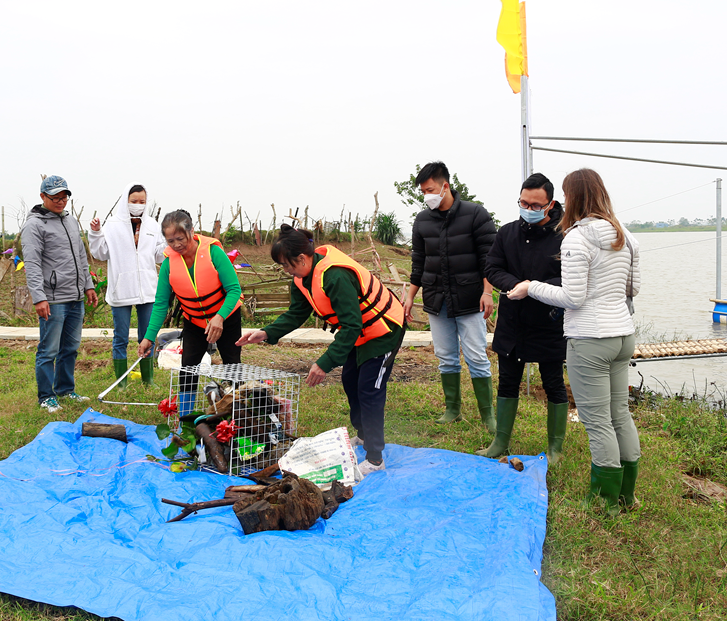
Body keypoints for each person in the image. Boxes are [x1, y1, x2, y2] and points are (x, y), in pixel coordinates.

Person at [508, 169, 641, 515]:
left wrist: (529, 286)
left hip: (590, 339)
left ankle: (604, 501)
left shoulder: (576, 238)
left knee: (597, 421)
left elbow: (574, 296)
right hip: (623, 335)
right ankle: (626, 494)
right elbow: (633, 289)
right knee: (619, 415)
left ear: (572, 198)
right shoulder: (623, 235)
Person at [236, 225, 405, 475]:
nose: (285, 270)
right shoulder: (301, 277)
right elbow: (296, 313)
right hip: (358, 334)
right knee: (350, 380)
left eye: (286, 264)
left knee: (369, 390)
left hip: (383, 330)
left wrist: (324, 363)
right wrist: (266, 332)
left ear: (302, 258)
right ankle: (363, 435)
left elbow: (351, 324)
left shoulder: (335, 275)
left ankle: (375, 459)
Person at [480, 173, 567, 462]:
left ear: (550, 204)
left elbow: (571, 278)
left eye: (535, 205)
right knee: (507, 381)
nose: (528, 209)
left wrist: (535, 289)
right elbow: (492, 267)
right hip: (512, 321)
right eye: (523, 203)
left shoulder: (565, 236)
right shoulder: (506, 233)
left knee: (553, 382)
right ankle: (500, 441)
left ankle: (555, 448)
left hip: (550, 321)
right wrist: (514, 284)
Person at [406, 161, 498, 432]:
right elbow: (418, 261)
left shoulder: (475, 214)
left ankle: (488, 415)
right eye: (423, 192)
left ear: (445, 186)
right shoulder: (422, 220)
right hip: (437, 298)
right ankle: (452, 409)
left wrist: (488, 292)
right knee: (446, 356)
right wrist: (411, 296)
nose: (427, 196)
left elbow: (489, 259)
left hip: (470, 297)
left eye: (430, 189)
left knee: (476, 357)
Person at [137, 210, 242, 415]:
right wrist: (149, 337)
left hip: (226, 317)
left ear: (191, 232)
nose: (176, 244)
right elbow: (160, 304)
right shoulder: (169, 263)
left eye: (180, 238)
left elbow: (234, 290)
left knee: (232, 365)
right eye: (170, 240)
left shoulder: (214, 253)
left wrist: (219, 318)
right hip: (194, 322)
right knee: (188, 368)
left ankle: (238, 414)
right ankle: (185, 418)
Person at [21, 175, 97, 414]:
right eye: (55, 197)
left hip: (75, 296)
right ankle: (46, 396)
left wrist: (88, 285)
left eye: (64, 197)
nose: (60, 201)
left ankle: (65, 389)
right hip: (53, 298)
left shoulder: (70, 221)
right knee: (48, 349)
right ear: (43, 196)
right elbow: (32, 264)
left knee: (71, 347)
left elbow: (81, 257)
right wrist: (39, 297)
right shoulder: (34, 226)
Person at [88, 183, 164, 387]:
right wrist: (96, 232)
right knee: (120, 336)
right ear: (125, 201)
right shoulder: (112, 225)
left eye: (142, 202)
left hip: (147, 290)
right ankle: (121, 381)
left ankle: (148, 379)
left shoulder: (152, 226)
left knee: (147, 335)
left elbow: (158, 256)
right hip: (121, 290)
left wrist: (168, 245)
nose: (138, 205)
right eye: (134, 201)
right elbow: (100, 253)